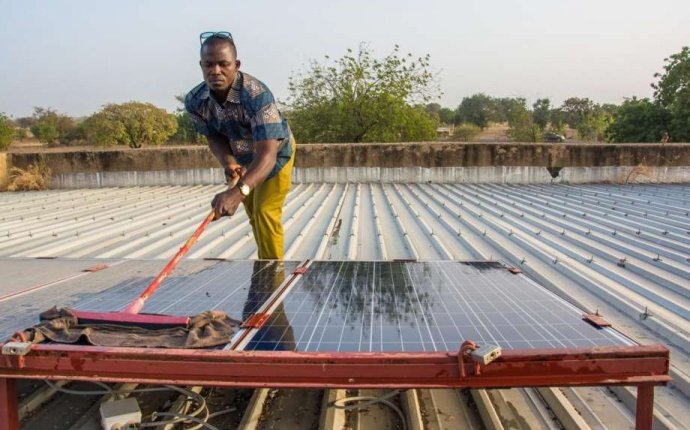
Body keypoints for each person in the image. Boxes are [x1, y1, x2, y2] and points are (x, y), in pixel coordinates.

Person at [185, 32, 296, 260]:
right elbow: (213, 136)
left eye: (223, 64)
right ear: (201, 66)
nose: (216, 71)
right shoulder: (195, 101)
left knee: (265, 212)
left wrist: (238, 191)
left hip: (275, 156)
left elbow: (267, 154)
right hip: (244, 159)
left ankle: (273, 277)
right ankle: (266, 264)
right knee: (254, 215)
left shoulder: (257, 96)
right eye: (209, 65)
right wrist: (229, 162)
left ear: (236, 65)